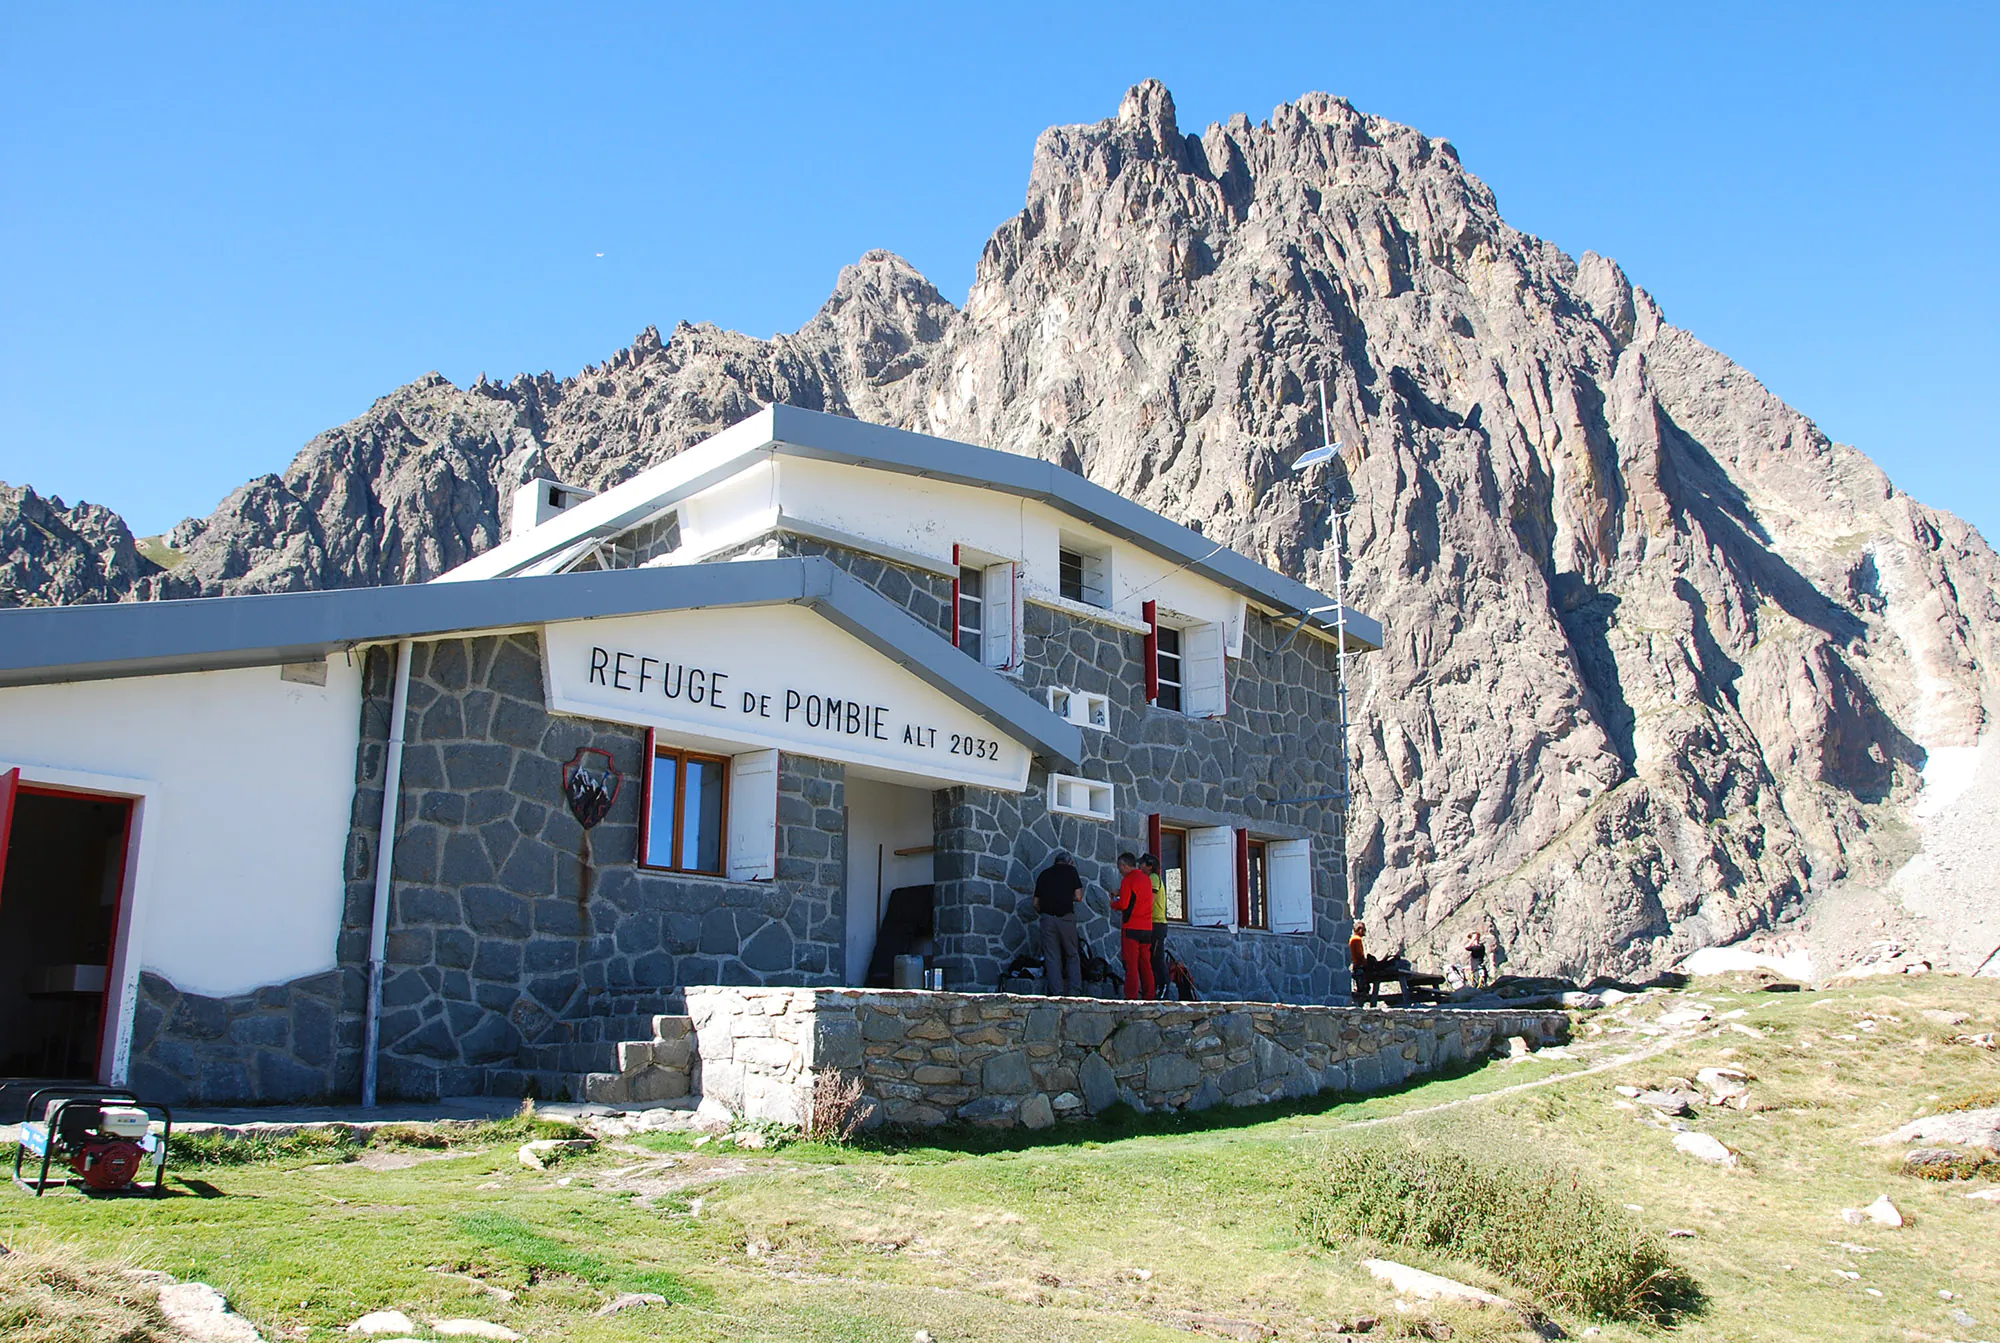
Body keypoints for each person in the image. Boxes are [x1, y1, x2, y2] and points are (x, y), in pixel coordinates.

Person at [1034, 850, 1084, 996]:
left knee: (1052, 956)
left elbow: (1035, 903)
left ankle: (1057, 992)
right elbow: (1079, 896)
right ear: (1070, 862)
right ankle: (1075, 991)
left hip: (1047, 918)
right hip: (1066, 918)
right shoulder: (1071, 871)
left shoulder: (1044, 874)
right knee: (1072, 954)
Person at [1110, 852, 1157, 1000]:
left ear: (1124, 865)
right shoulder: (1147, 879)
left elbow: (1124, 904)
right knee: (1145, 963)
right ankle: (1150, 995)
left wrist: (1112, 903)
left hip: (1131, 926)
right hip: (1147, 927)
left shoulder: (1128, 880)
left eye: (1120, 867)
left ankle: (1131, 997)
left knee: (1131, 965)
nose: (1119, 870)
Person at [1143, 852, 1170, 999]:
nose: (1140, 866)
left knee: (1156, 957)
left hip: (1156, 923)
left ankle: (1163, 987)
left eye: (1143, 864)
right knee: (1152, 957)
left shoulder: (1153, 878)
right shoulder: (1151, 878)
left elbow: (1150, 900)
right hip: (1154, 923)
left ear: (1150, 866)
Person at [1349, 921, 1372, 1005]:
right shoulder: (1356, 940)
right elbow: (1359, 955)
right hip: (1358, 967)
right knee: (1363, 989)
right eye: (1364, 930)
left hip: (1355, 965)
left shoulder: (1352, 939)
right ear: (1360, 930)